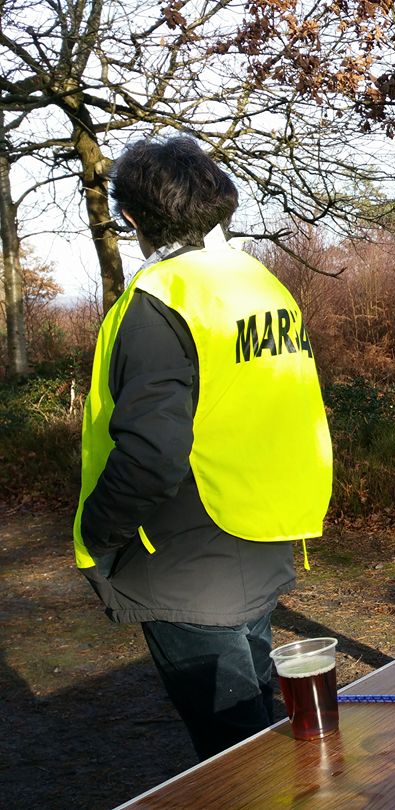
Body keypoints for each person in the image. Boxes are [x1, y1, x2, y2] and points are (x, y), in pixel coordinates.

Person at [73, 135, 333, 760]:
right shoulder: (259, 282)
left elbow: (150, 454)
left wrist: (98, 534)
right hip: (263, 529)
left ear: (133, 216)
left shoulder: (158, 299)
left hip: (187, 553)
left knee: (237, 759)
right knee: (267, 730)